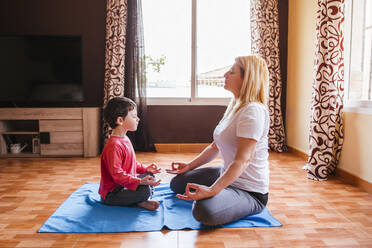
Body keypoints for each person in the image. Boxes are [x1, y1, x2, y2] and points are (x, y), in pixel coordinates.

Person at [166, 55, 270, 225]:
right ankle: (220, 189)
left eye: (232, 72)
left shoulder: (253, 111)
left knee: (203, 211)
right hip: (227, 174)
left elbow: (243, 160)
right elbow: (215, 147)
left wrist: (213, 190)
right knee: (178, 183)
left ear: (247, 78)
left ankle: (238, 200)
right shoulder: (235, 106)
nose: (225, 75)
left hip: (248, 191)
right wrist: (189, 166)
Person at [99, 97, 161, 211]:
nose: (138, 119)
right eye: (133, 116)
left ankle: (138, 200)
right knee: (145, 189)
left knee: (150, 176)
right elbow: (117, 175)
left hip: (125, 185)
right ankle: (139, 201)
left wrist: (145, 169)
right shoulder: (114, 146)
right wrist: (139, 181)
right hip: (112, 194)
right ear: (120, 120)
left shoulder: (125, 138)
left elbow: (130, 163)